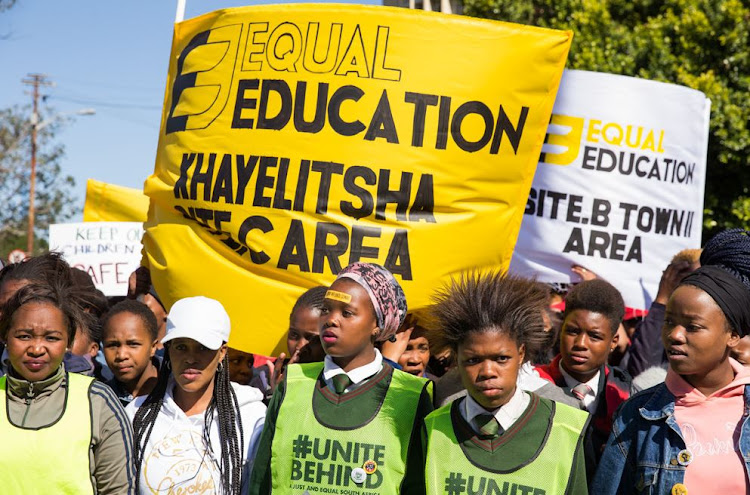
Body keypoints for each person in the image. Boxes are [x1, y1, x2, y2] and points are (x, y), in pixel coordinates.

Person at [248, 262, 433, 495]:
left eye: (347, 313)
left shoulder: (411, 396)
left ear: (377, 324)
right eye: (326, 309)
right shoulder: (292, 384)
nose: (331, 320)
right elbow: (261, 480)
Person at [593, 229, 750, 493]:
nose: (675, 335)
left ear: (733, 335)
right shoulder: (636, 416)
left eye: (693, 326)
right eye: (669, 322)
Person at [423, 272, 590, 494]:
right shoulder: (432, 426)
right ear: (456, 358)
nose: (488, 372)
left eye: (501, 359)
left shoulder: (567, 426)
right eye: (473, 360)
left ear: (521, 354)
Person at [0, 281, 136, 493]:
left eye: (51, 338)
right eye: (24, 336)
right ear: (5, 337)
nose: (36, 348)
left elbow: (119, 489)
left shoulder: (97, 401)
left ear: (68, 343)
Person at [127, 296, 267, 494]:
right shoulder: (135, 415)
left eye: (203, 347)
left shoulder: (252, 416)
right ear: (168, 351)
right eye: (181, 347)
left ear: (222, 352)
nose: (191, 358)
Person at [535, 279, 631, 459]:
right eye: (572, 331)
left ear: (613, 342)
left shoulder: (626, 399)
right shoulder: (532, 386)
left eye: (594, 336)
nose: (580, 344)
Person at [101, 299, 160, 406]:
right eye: (112, 345)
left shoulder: (176, 392)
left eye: (133, 344)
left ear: (153, 347)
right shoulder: (100, 400)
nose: (122, 355)